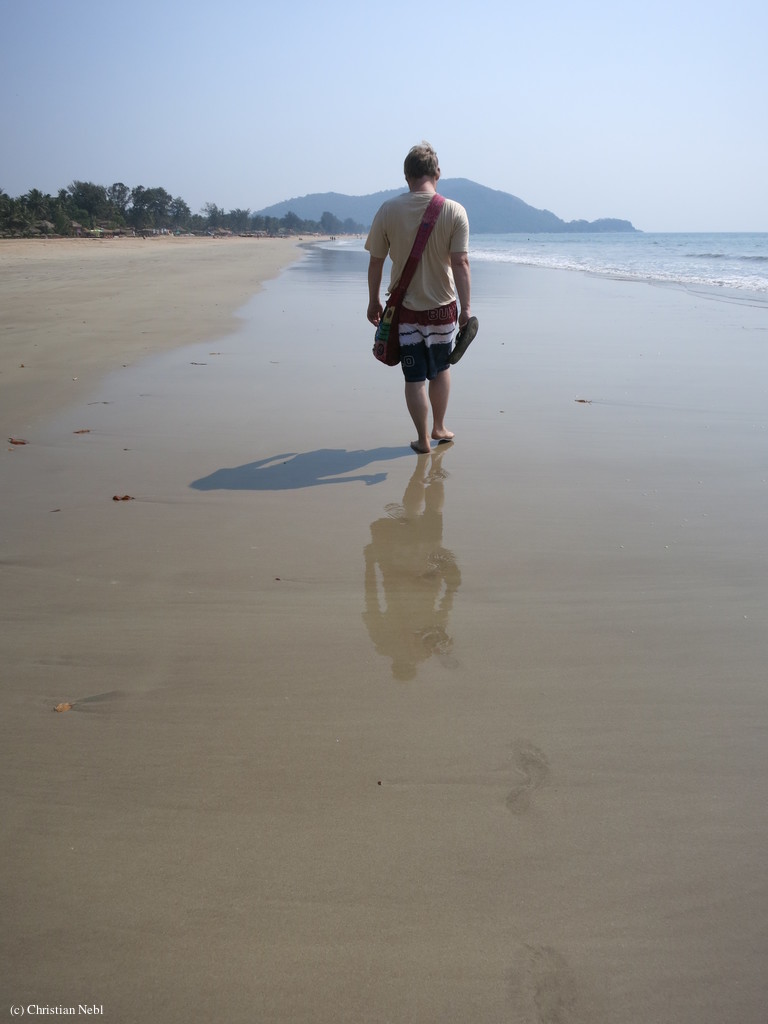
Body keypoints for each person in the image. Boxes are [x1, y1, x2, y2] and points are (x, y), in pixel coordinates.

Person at [366, 142, 472, 454]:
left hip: (406, 309)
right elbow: (461, 263)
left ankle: (423, 438)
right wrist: (466, 308)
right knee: (441, 369)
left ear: (406, 175)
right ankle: (440, 426)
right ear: (437, 172)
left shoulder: (388, 210)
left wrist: (373, 300)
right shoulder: (454, 211)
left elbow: (376, 262)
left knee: (414, 378)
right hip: (443, 308)